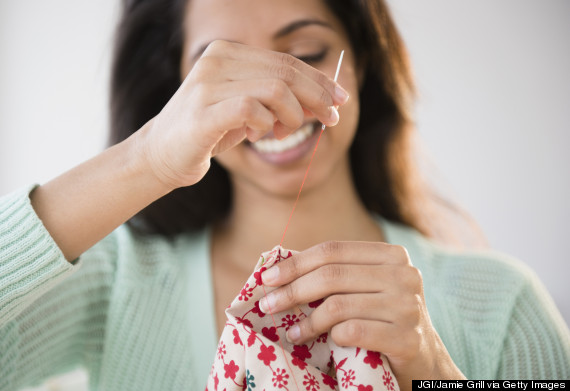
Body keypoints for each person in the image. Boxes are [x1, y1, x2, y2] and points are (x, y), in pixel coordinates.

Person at [0, 0, 568, 390]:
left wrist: (437, 374)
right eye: (222, 70)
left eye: (309, 52)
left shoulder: (500, 304)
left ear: (363, 61)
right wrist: (146, 157)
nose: (272, 100)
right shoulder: (114, 281)